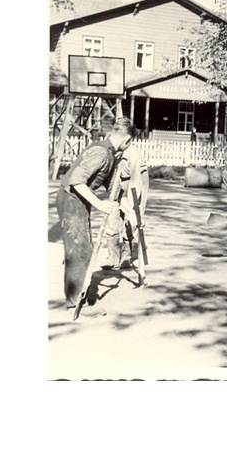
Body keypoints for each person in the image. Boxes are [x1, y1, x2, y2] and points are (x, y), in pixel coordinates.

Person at [55, 117, 137, 315]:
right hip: (70, 198)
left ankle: (85, 295)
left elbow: (114, 189)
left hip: (79, 201)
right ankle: (76, 302)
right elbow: (76, 181)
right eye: (130, 144)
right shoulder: (101, 152)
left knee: (85, 248)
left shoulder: (111, 154)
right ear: (126, 141)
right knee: (79, 250)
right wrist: (100, 204)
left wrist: (130, 213)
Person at [103, 138, 149, 286]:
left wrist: (132, 208)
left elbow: (136, 183)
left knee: (132, 220)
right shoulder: (112, 151)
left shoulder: (133, 154)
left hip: (135, 183)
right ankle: (112, 257)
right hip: (118, 183)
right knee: (112, 217)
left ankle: (127, 257)